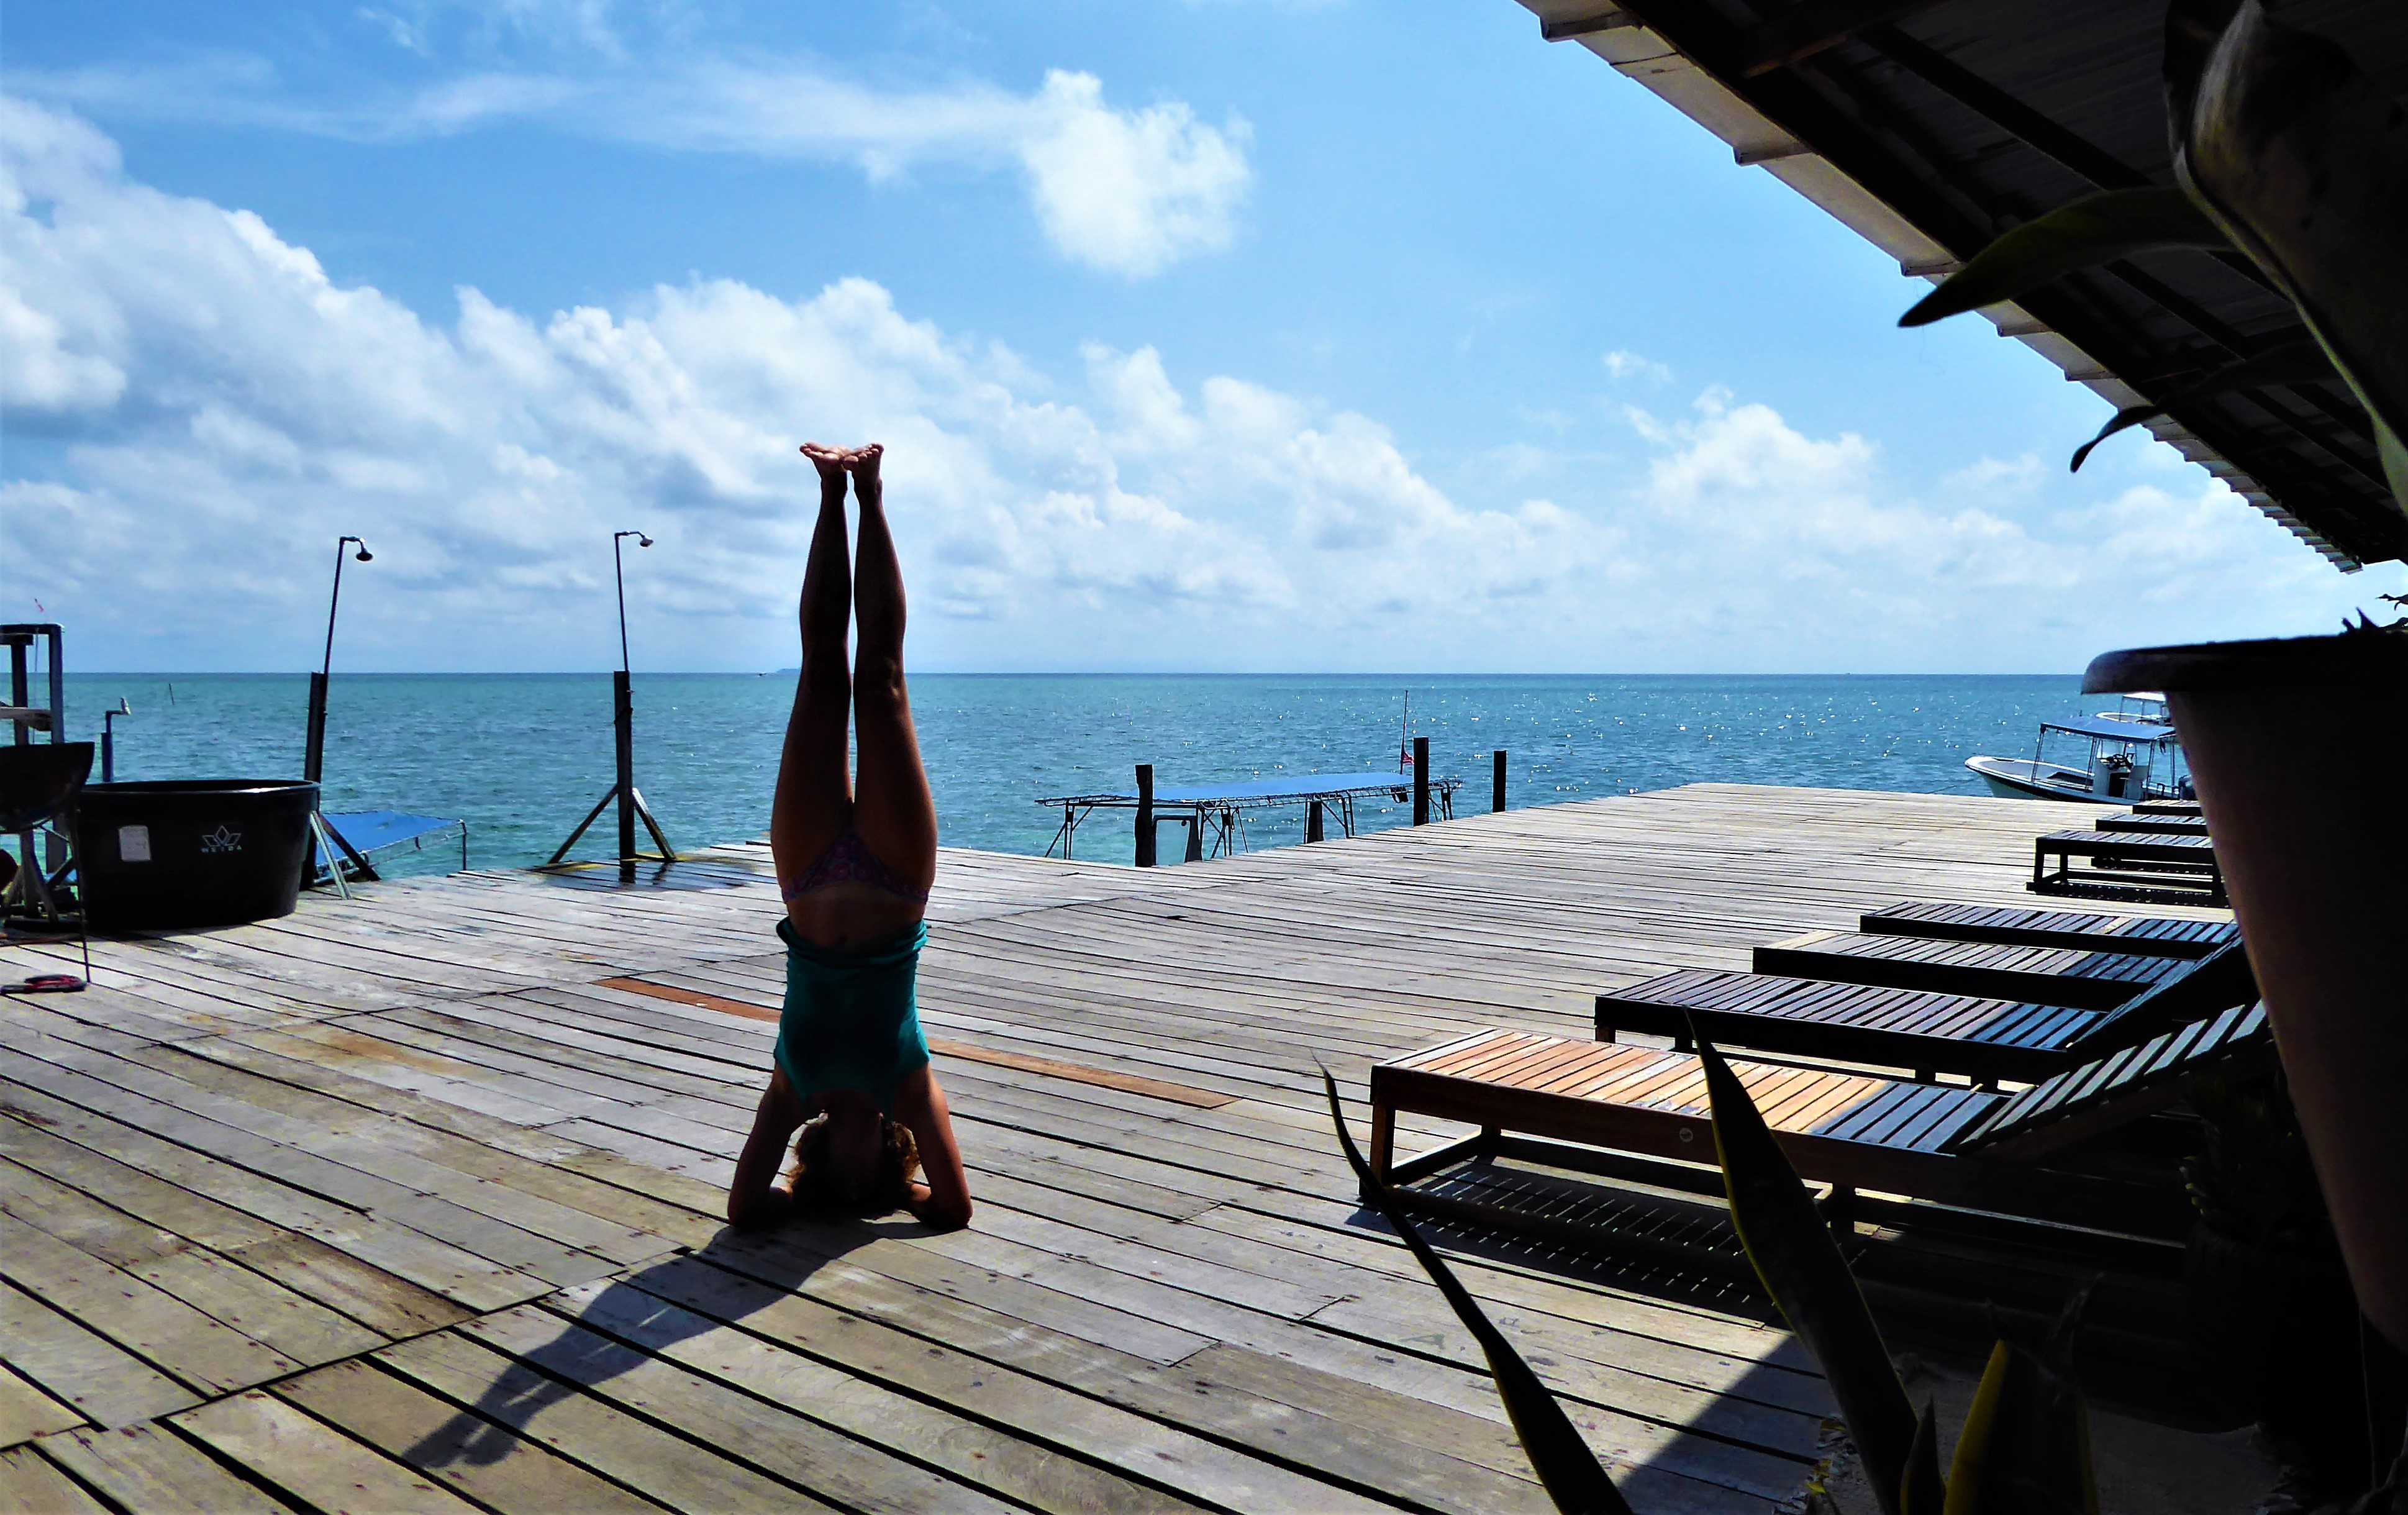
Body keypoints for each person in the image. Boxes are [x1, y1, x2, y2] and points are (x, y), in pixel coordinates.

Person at [726, 442, 973, 1231]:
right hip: (896, 885)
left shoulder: (793, 1092)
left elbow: (743, 1209)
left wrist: (796, 1196)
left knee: (821, 675)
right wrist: (905, 1195)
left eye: (848, 1185)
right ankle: (871, 493)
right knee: (885, 680)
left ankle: (830, 494)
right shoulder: (907, 1087)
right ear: (896, 1163)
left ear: (824, 1158)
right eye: (880, 1184)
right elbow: (954, 1212)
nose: (860, 1179)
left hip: (807, 880)